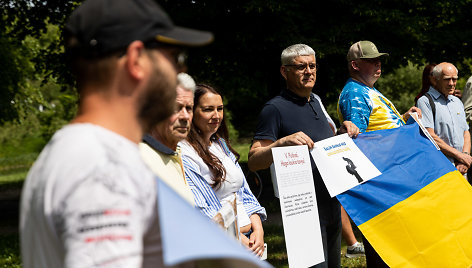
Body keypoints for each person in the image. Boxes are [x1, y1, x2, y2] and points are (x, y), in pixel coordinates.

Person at [19, 0, 213, 267]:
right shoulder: (103, 166)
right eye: (175, 58)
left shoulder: (80, 151)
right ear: (135, 61)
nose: (181, 71)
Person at [248, 43, 359, 267]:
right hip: (302, 208)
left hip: (331, 202)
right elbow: (253, 161)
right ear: (284, 71)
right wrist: (281, 143)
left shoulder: (316, 101)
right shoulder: (274, 109)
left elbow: (321, 146)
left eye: (312, 66)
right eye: (301, 67)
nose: (309, 71)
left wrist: (341, 131)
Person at [337, 40, 421, 267]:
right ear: (355, 65)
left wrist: (402, 119)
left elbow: (377, 129)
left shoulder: (367, 90)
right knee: (386, 251)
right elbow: (359, 141)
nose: (378, 64)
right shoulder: (355, 93)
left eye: (379, 59)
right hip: (381, 184)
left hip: (390, 178)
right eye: (371, 60)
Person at [180, 84, 267, 257]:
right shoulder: (185, 153)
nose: (216, 115)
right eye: (208, 109)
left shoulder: (221, 144)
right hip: (222, 242)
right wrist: (238, 239)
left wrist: (258, 229)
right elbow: (205, 210)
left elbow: (243, 192)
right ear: (192, 112)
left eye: (220, 109)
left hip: (250, 239)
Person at [140, 73, 197, 205]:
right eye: (176, 108)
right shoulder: (141, 159)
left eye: (189, 108)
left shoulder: (175, 152)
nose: (185, 116)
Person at [416, 62, 472, 176]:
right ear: (435, 79)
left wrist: (465, 157)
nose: (452, 83)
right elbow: (430, 136)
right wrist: (460, 156)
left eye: (454, 79)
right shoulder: (425, 101)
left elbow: (466, 132)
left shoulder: (457, 102)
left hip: (461, 169)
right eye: (447, 79)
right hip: (439, 169)